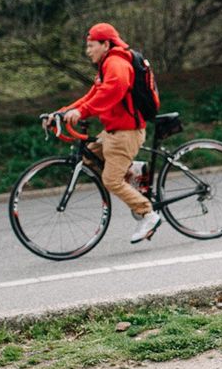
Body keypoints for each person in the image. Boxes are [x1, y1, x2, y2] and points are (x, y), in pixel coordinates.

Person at [56, 22, 161, 244]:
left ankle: (149, 214)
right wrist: (62, 112)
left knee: (111, 181)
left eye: (91, 45)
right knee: (88, 158)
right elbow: (92, 95)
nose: (88, 51)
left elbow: (113, 91)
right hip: (113, 132)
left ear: (105, 44)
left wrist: (82, 112)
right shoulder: (107, 65)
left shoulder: (116, 63)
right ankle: (134, 170)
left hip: (126, 133)